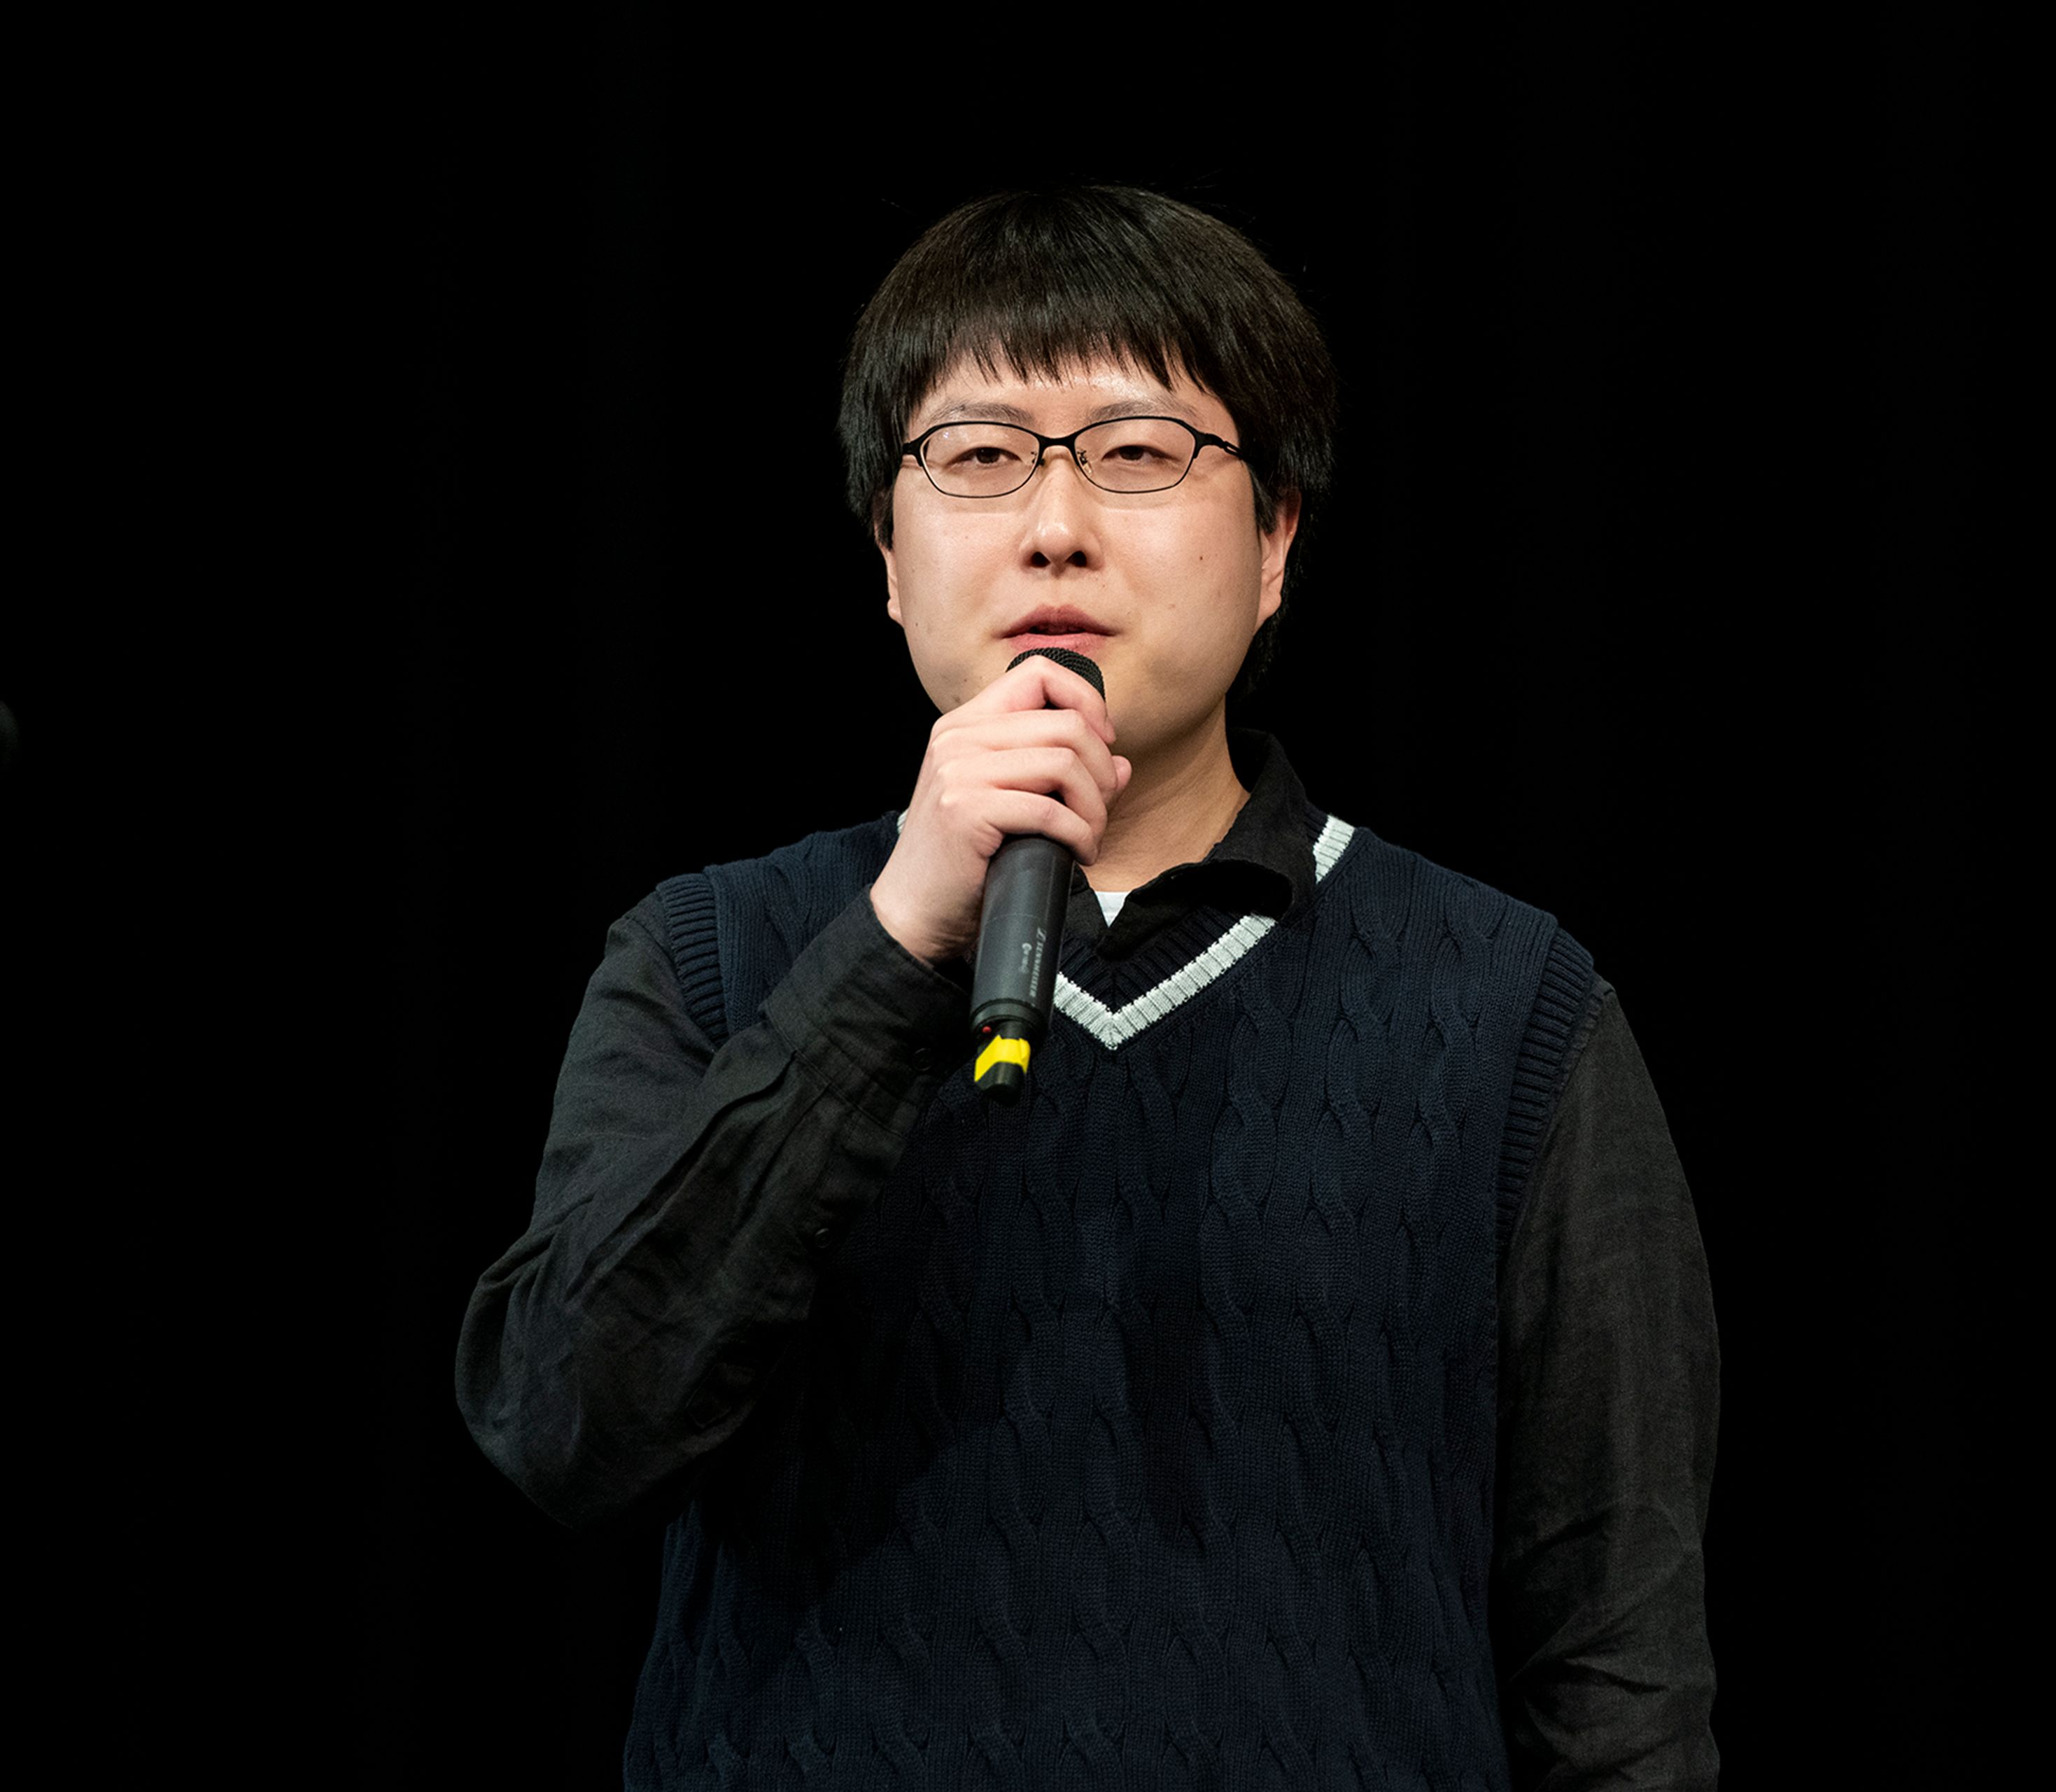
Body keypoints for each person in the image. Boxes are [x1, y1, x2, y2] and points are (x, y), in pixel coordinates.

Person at [458, 185, 1719, 1789]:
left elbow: (1620, 1674)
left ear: (1276, 544)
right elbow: (565, 1427)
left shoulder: (1515, 1011)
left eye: (1138, 452)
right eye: (978, 458)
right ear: (890, 557)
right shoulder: (711, 957)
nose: (1055, 524)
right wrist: (899, 933)